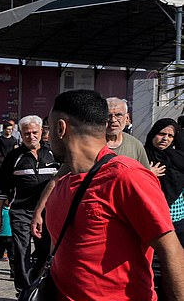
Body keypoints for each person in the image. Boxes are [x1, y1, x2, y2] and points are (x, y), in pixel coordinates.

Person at [6, 89, 184, 301]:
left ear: (61, 127)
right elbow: (60, 264)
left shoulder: (127, 176)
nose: (48, 135)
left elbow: (172, 251)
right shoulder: (63, 187)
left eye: (49, 127)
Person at [31, 96, 156, 240]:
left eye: (118, 115)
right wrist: (39, 211)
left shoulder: (136, 146)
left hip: (123, 220)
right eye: (109, 115)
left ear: (127, 118)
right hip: (88, 218)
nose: (113, 120)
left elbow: (147, 184)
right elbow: (57, 179)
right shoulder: (88, 147)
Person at [0, 115, 58, 293]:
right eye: (27, 133)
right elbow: (1, 189)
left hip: (48, 212)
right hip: (21, 211)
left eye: (34, 132)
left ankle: (36, 281)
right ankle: (24, 288)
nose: (31, 136)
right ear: (21, 134)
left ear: (41, 131)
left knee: (46, 250)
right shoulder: (14, 157)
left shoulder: (52, 153)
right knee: (22, 250)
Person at [144, 118, 184, 301]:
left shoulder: (177, 158)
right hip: (151, 224)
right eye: (161, 134)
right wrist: (147, 174)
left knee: (174, 273)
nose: (165, 139)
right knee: (153, 274)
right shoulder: (143, 156)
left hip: (177, 225)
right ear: (153, 134)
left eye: (170, 136)